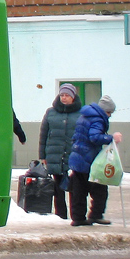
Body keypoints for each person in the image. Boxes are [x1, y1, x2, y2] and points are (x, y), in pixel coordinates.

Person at [68, 94, 123, 226]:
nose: (109, 115)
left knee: (79, 189)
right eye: (109, 112)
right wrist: (111, 138)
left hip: (77, 155)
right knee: (99, 188)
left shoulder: (85, 116)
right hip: (88, 158)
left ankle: (78, 218)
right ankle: (96, 215)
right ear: (104, 110)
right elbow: (94, 137)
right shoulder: (97, 119)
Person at [38, 83, 81, 219]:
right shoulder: (51, 112)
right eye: (62, 95)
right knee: (57, 188)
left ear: (73, 97)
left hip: (74, 155)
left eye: (67, 95)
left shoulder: (81, 113)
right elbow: (43, 134)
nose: (64, 98)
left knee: (75, 187)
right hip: (54, 155)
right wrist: (42, 155)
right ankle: (60, 215)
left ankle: (76, 215)